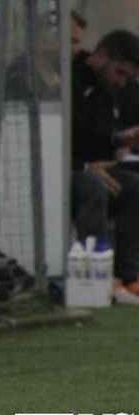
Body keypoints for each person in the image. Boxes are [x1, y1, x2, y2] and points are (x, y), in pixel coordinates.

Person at [71, 29, 139, 305]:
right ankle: (97, 275)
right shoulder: (70, 79)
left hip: (95, 166)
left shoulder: (110, 90)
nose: (121, 82)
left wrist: (120, 141)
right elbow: (66, 137)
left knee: (133, 186)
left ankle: (129, 276)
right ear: (102, 56)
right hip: (64, 170)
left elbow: (100, 138)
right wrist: (85, 165)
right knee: (93, 186)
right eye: (119, 72)